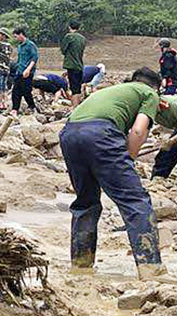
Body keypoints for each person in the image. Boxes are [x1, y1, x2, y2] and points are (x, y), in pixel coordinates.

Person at [59, 67, 167, 280]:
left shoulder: (115, 90)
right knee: (135, 201)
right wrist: (128, 158)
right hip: (102, 134)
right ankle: (150, 269)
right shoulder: (149, 94)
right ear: (156, 88)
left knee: (86, 202)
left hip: (70, 134)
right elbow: (138, 131)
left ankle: (81, 266)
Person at [11, 27, 38, 116]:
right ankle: (15, 109)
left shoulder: (30, 45)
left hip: (27, 72)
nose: (16, 39)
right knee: (15, 91)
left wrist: (28, 69)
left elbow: (34, 58)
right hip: (19, 71)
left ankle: (32, 106)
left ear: (21, 34)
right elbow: (19, 59)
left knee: (26, 91)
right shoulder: (19, 46)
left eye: (16, 36)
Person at [60, 22, 87, 107]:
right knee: (78, 88)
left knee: (74, 88)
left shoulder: (69, 36)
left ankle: (75, 108)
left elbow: (63, 50)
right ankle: (78, 105)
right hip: (80, 65)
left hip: (71, 65)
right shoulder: (83, 38)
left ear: (69, 27)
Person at [0, 28, 15, 110]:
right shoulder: (9, 46)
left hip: (0, 67)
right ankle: (5, 102)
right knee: (4, 85)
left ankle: (0, 103)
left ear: (3, 36)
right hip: (7, 68)